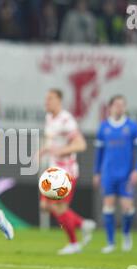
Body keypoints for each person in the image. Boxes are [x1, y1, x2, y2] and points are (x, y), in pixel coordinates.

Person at [38, 89, 96, 255]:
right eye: (46, 99)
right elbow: (53, 142)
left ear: (59, 100)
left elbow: (81, 144)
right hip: (53, 171)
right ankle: (82, 224)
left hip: (65, 172)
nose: (46, 102)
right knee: (45, 205)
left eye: (50, 99)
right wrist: (43, 151)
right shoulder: (50, 118)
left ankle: (74, 243)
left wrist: (62, 151)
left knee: (59, 207)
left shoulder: (66, 120)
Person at [93, 95, 137, 254]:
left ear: (125, 107)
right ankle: (110, 243)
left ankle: (126, 234)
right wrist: (97, 172)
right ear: (110, 107)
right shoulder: (103, 127)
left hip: (126, 174)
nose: (119, 107)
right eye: (116, 104)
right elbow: (99, 152)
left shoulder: (132, 126)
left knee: (127, 208)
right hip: (108, 173)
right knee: (108, 206)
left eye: (122, 105)